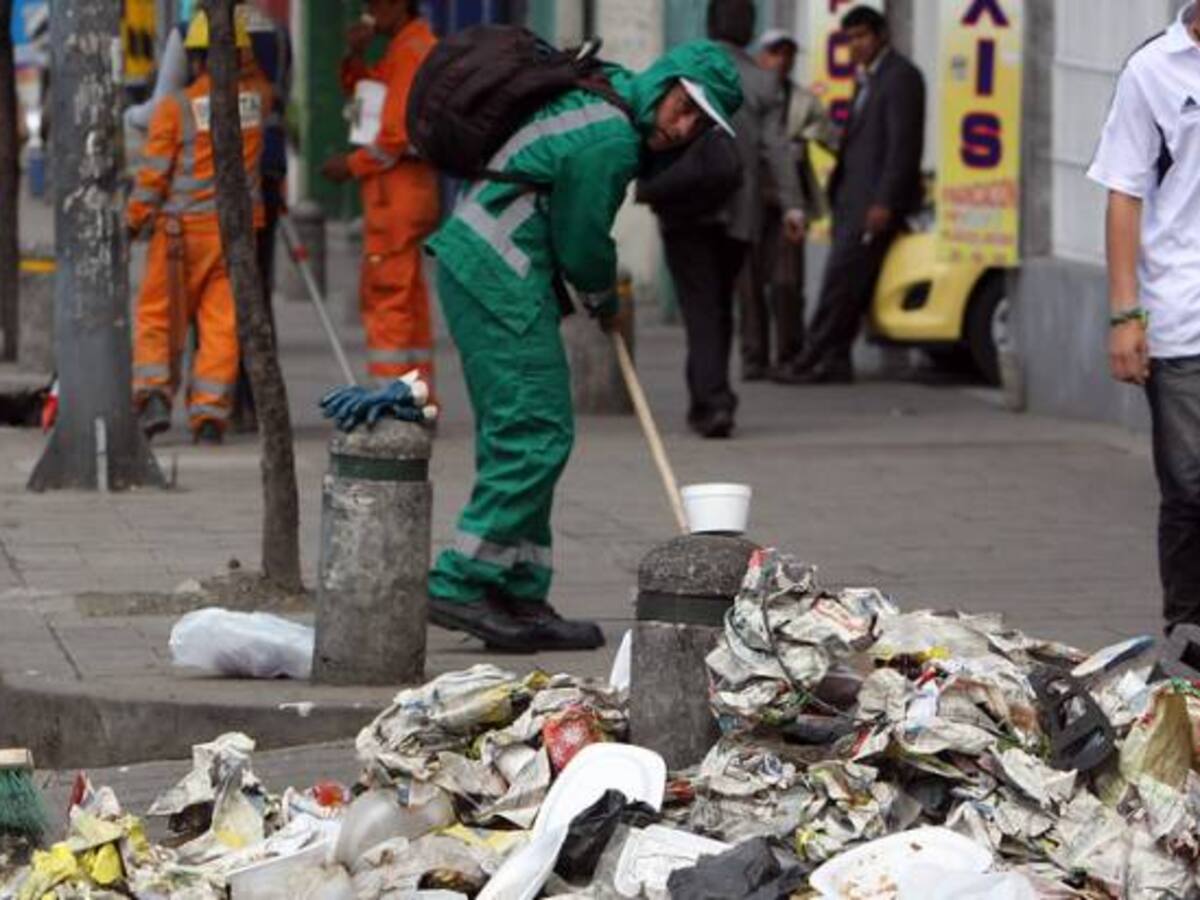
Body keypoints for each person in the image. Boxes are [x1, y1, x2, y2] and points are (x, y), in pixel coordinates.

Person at [424, 42, 742, 651]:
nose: (684, 128)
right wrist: (603, 296)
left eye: (700, 122)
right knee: (535, 431)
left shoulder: (612, 94)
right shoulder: (612, 137)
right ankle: (462, 580)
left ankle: (518, 588)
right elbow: (582, 240)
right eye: (685, 108)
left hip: (490, 266)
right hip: (499, 270)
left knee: (522, 430)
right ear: (667, 83)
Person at [1089, 0, 1200, 633]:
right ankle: (1187, 651)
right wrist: (1124, 312)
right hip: (1181, 312)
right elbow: (1124, 193)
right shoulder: (1153, 70)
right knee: (1189, 490)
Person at [657, 0, 806, 439]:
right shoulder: (763, 80)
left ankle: (710, 401)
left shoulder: (685, 67)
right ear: (749, 31)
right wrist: (794, 205)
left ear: (710, 24)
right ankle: (711, 397)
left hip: (684, 209)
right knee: (719, 305)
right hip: (738, 215)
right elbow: (776, 148)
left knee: (700, 306)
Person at [127, 10, 272, 444]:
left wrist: (133, 220)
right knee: (222, 325)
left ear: (196, 59)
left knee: (158, 318)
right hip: (232, 237)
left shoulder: (175, 109)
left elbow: (153, 176)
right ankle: (209, 414)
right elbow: (263, 83)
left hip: (178, 236)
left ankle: (153, 396)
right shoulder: (256, 102)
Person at [775, 5, 925, 384]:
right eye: (850, 39)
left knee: (840, 282)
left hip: (873, 203)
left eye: (862, 37)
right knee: (847, 282)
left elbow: (901, 148)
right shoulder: (868, 79)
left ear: (881, 36)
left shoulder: (901, 78)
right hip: (850, 199)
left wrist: (885, 202)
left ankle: (811, 356)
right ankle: (836, 360)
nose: (855, 46)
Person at [322, 0, 439, 389]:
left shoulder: (410, 52)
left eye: (375, 3)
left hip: (397, 195)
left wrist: (350, 165)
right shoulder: (406, 47)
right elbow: (367, 98)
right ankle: (418, 395)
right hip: (406, 191)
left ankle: (393, 401)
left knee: (388, 295)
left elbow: (393, 136)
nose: (369, 11)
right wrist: (355, 55)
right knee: (409, 298)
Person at [742, 29, 839, 382]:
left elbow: (832, 138)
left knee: (786, 282)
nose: (781, 60)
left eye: (787, 54)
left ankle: (789, 352)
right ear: (760, 57)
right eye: (774, 52)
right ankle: (754, 357)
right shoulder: (744, 96)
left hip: (788, 201)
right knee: (749, 283)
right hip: (749, 199)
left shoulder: (803, 101)